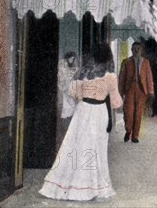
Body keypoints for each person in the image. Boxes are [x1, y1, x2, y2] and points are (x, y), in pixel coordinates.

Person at [39, 44, 123, 201]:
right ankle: (93, 187)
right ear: (107, 57)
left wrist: (84, 96)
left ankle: (66, 185)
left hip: (82, 111)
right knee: (96, 149)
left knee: (74, 145)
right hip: (99, 112)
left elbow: (73, 93)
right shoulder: (110, 76)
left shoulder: (82, 72)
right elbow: (116, 103)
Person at [118, 42, 154, 143]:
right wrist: (120, 93)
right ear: (131, 50)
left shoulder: (146, 62)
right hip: (129, 89)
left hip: (142, 91)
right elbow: (121, 78)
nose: (136, 50)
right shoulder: (126, 62)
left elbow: (149, 78)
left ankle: (135, 135)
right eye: (134, 48)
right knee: (129, 113)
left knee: (138, 113)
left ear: (141, 50)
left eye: (138, 48)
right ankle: (128, 130)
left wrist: (151, 91)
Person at [56, 51, 78, 149]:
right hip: (65, 95)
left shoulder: (71, 68)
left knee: (69, 114)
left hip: (69, 96)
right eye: (72, 59)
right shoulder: (63, 67)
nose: (73, 61)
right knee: (65, 115)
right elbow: (63, 84)